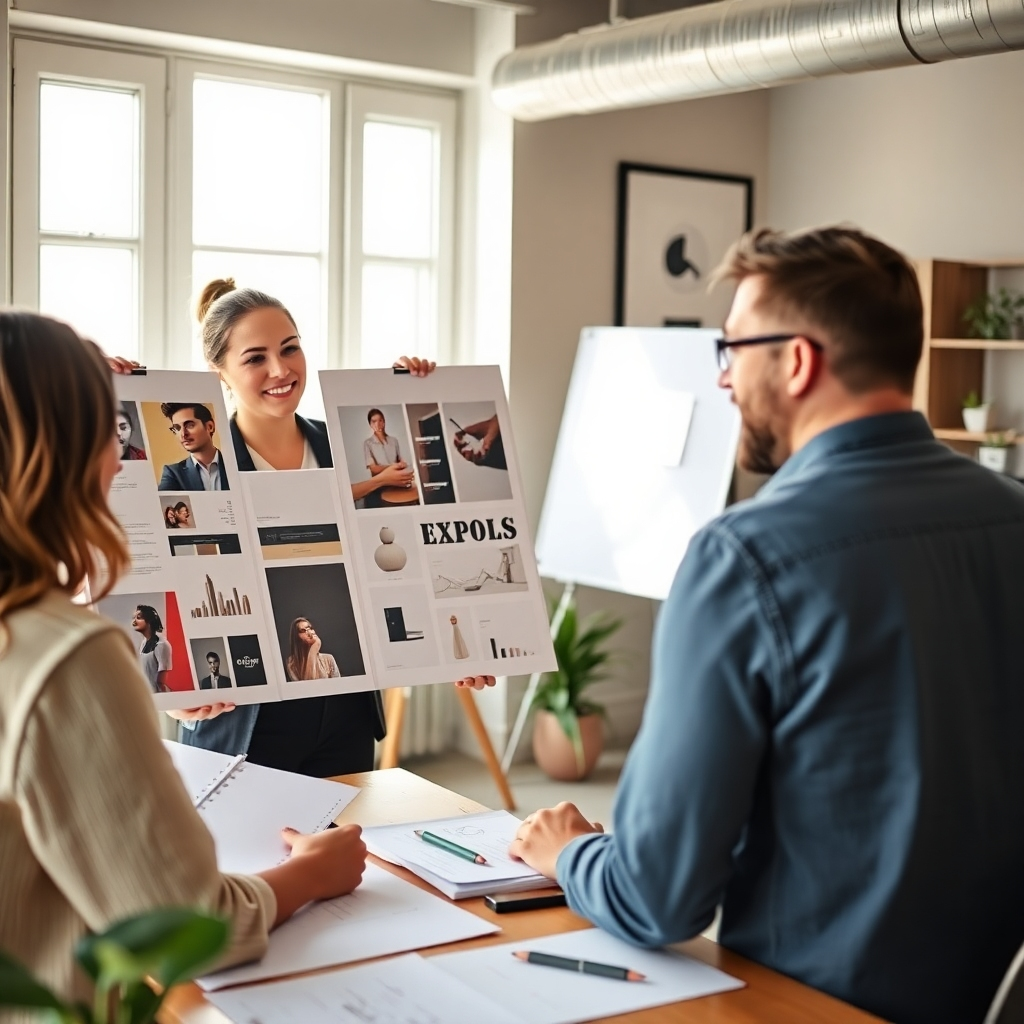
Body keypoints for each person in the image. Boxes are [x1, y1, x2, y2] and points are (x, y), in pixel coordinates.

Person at [509, 227, 1024, 1024]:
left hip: (813, 1002)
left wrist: (569, 851)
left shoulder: (743, 558)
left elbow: (657, 898)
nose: (723, 380)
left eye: (732, 348)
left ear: (795, 360)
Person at [0, 311, 366, 1019]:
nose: (124, 450)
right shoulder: (69, 657)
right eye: (112, 426)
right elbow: (192, 924)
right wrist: (311, 876)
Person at [161, 279, 493, 778]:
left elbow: (406, 550)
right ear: (219, 373)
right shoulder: (186, 474)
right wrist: (172, 695)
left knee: (342, 852)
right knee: (252, 858)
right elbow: (166, 586)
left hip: (345, 707)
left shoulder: (341, 446)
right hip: (244, 715)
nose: (281, 369)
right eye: (255, 358)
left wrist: (453, 650)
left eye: (290, 348)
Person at [157, 403, 230, 491]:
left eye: (190, 425)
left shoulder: (234, 464)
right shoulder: (173, 473)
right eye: (177, 428)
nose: (183, 434)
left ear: (210, 426)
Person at [360, 408, 413, 508]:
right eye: (374, 421)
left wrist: (403, 464)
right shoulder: (368, 443)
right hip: (380, 484)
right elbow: (374, 469)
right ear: (370, 425)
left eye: (380, 420)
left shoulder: (394, 441)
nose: (378, 424)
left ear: (384, 422)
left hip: (397, 482)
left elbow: (400, 460)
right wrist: (392, 467)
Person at [131, 604, 173, 694]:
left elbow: (161, 683)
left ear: (149, 620)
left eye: (138, 618)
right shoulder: (143, 643)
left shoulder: (161, 645)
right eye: (133, 618)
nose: (134, 622)